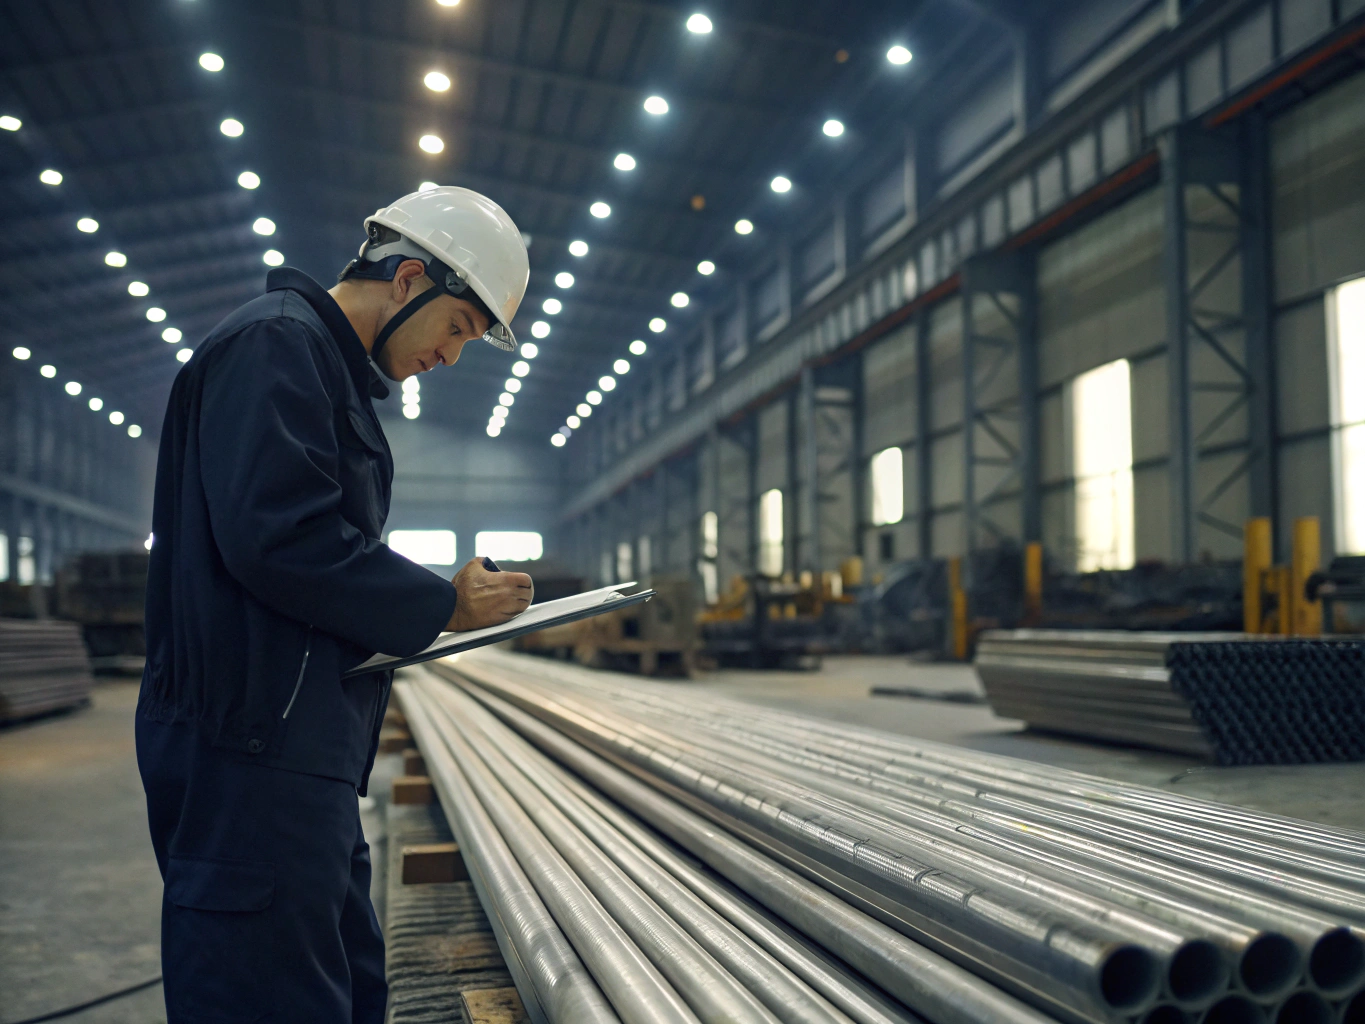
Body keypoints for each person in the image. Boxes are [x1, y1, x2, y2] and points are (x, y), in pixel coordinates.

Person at [135, 186, 533, 1022]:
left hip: (295, 752)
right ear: (410, 278)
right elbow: (280, 538)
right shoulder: (277, 345)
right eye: (457, 329)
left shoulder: (316, 365)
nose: (452, 357)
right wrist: (440, 604)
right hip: (247, 752)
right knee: (268, 997)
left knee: (344, 991)